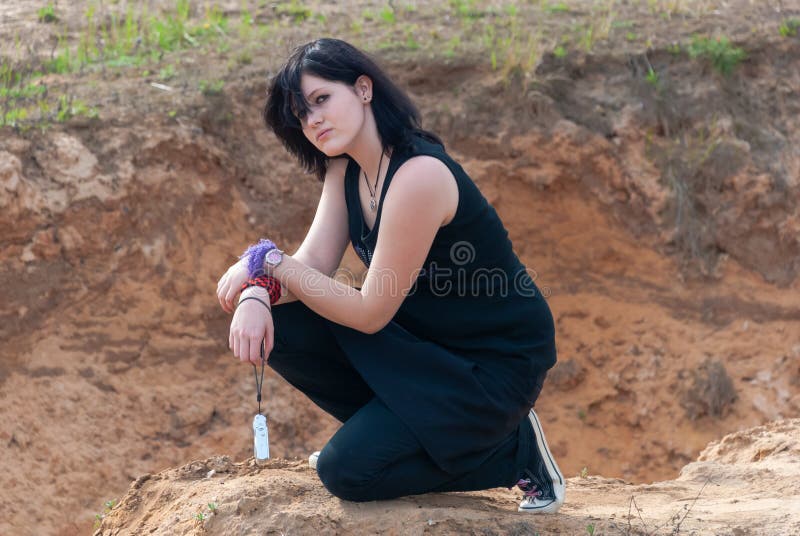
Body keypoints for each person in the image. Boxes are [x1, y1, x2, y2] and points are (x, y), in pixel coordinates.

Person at [215, 37, 565, 513]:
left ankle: (514, 451)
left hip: (491, 365)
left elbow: (368, 313)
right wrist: (257, 291)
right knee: (290, 326)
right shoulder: (346, 170)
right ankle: (389, 435)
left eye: (321, 100)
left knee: (346, 472)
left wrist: (265, 260)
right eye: (301, 114)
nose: (312, 120)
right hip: (427, 349)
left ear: (363, 89)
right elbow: (313, 264)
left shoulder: (419, 174)